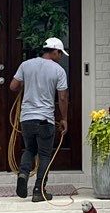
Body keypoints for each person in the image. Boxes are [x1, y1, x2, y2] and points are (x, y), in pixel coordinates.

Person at [10, 36, 69, 203]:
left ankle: (23, 174)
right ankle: (39, 191)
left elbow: (13, 86)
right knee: (44, 155)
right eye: (60, 53)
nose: (61, 57)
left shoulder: (26, 65)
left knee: (29, 150)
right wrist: (64, 118)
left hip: (26, 118)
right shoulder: (58, 71)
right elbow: (63, 97)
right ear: (55, 51)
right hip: (45, 120)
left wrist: (25, 84)